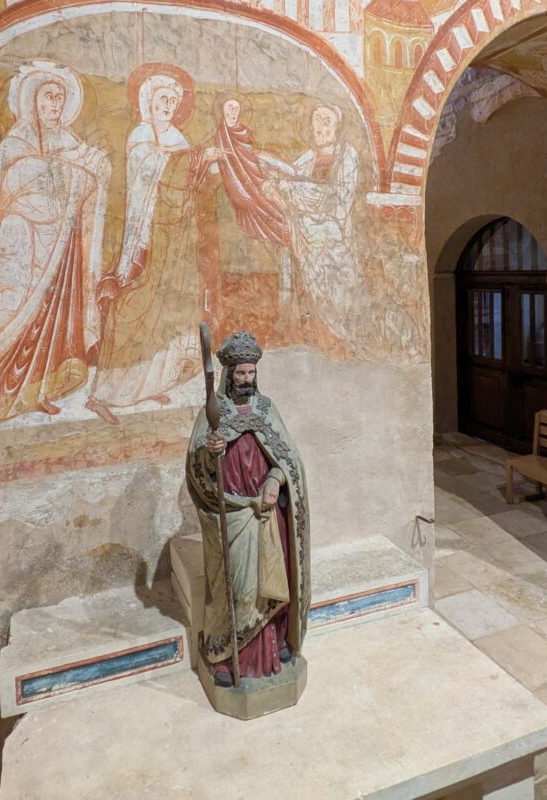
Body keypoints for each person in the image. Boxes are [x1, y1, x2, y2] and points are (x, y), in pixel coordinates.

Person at [0, 61, 110, 446]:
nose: (55, 104)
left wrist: (92, 167)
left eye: (59, 98)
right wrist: (65, 167)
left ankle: (36, 391)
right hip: (22, 252)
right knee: (9, 322)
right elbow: (15, 183)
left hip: (59, 255)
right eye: (48, 97)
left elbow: (91, 176)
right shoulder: (16, 142)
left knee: (51, 322)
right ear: (31, 101)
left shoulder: (68, 140)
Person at [87, 68, 215, 424]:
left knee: (166, 305)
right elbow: (147, 172)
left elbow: (189, 183)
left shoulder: (180, 139)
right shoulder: (141, 136)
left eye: (174, 102)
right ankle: (103, 392)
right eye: (163, 100)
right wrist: (189, 161)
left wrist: (198, 165)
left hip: (175, 237)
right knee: (131, 303)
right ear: (148, 102)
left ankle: (149, 381)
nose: (169, 107)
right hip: (145, 232)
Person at [186, 330, 310, 685]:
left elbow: (290, 461)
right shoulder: (213, 415)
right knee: (238, 589)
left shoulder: (266, 409)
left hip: (268, 516)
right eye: (240, 373)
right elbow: (197, 472)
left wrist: (275, 479)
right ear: (228, 374)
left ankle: (274, 646)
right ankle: (226, 658)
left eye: (251, 373)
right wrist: (211, 454)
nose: (246, 379)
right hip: (235, 514)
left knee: (272, 582)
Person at [264, 102, 360, 340]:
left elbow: (336, 198)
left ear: (337, 127)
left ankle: (337, 337)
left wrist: (291, 190)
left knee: (334, 294)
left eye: (326, 122)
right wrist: (274, 182)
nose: (319, 128)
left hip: (331, 238)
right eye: (316, 121)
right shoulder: (308, 156)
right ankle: (308, 333)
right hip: (303, 237)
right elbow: (288, 177)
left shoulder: (346, 156)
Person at [195, 96, 289, 248]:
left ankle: (284, 226)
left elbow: (252, 154)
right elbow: (214, 157)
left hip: (255, 177)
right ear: (222, 111)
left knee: (271, 200)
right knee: (251, 202)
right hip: (235, 182)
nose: (233, 112)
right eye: (230, 108)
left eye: (236, 109)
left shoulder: (245, 132)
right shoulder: (219, 135)